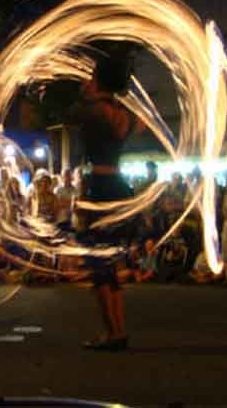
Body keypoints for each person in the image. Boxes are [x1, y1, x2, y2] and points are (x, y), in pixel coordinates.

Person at [75, 54, 145, 351]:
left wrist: (88, 95)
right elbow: (139, 125)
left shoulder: (90, 110)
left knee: (99, 266)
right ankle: (118, 330)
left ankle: (113, 333)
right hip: (119, 186)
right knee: (110, 265)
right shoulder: (122, 115)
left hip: (100, 188)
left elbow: (76, 114)